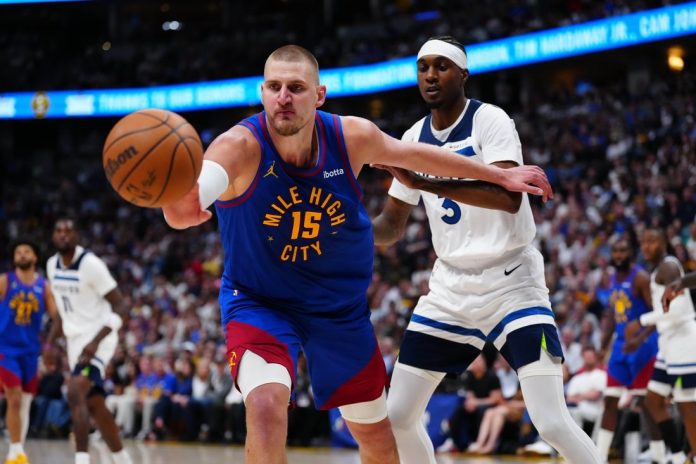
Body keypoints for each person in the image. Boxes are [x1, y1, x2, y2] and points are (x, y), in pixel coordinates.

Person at [161, 44, 552, 464]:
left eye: (296, 87)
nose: (283, 97)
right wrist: (179, 204)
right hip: (261, 302)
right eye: (274, 87)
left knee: (378, 440)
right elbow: (188, 203)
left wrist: (498, 174)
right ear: (262, 92)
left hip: (337, 307)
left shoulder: (351, 137)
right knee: (265, 405)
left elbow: (415, 154)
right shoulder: (238, 146)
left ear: (319, 95)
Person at [371, 36, 600, 463]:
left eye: (441, 66)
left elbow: (508, 197)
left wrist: (426, 182)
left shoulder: (489, 120)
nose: (430, 76)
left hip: (511, 281)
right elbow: (391, 225)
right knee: (397, 416)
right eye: (423, 67)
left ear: (463, 74)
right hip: (450, 289)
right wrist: (340, 229)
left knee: (550, 421)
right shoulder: (413, 137)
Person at [45, 218, 133, 464]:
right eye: (58, 231)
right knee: (94, 404)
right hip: (75, 342)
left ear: (77, 236)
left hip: (99, 338)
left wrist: (95, 342)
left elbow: (122, 307)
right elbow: (62, 312)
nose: (63, 235)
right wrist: (49, 344)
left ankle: (81, 460)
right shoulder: (51, 265)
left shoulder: (91, 265)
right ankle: (123, 459)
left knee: (75, 391)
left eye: (68, 231)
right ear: (53, 236)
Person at [625, 228, 696, 463]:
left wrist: (641, 321)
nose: (646, 246)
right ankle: (677, 456)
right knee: (653, 401)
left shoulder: (668, 267)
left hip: (683, 340)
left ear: (664, 242)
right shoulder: (659, 269)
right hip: (668, 343)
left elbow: (678, 310)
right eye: (643, 241)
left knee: (686, 404)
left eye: (652, 241)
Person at [595, 237, 662, 463]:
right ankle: (599, 457)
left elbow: (658, 313)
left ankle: (659, 457)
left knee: (647, 404)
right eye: (615, 251)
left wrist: (640, 339)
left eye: (623, 251)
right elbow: (612, 316)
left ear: (631, 253)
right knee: (610, 401)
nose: (618, 255)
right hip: (620, 347)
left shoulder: (641, 278)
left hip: (643, 346)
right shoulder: (612, 278)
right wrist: (603, 345)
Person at [0, 241, 60, 464]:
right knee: (14, 398)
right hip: (5, 349)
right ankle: (14, 451)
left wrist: (50, 346)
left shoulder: (44, 287)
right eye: (18, 252)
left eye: (26, 252)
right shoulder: (5, 281)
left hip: (30, 352)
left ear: (35, 257)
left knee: (25, 402)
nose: (22, 255)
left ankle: (18, 451)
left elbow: (57, 318)